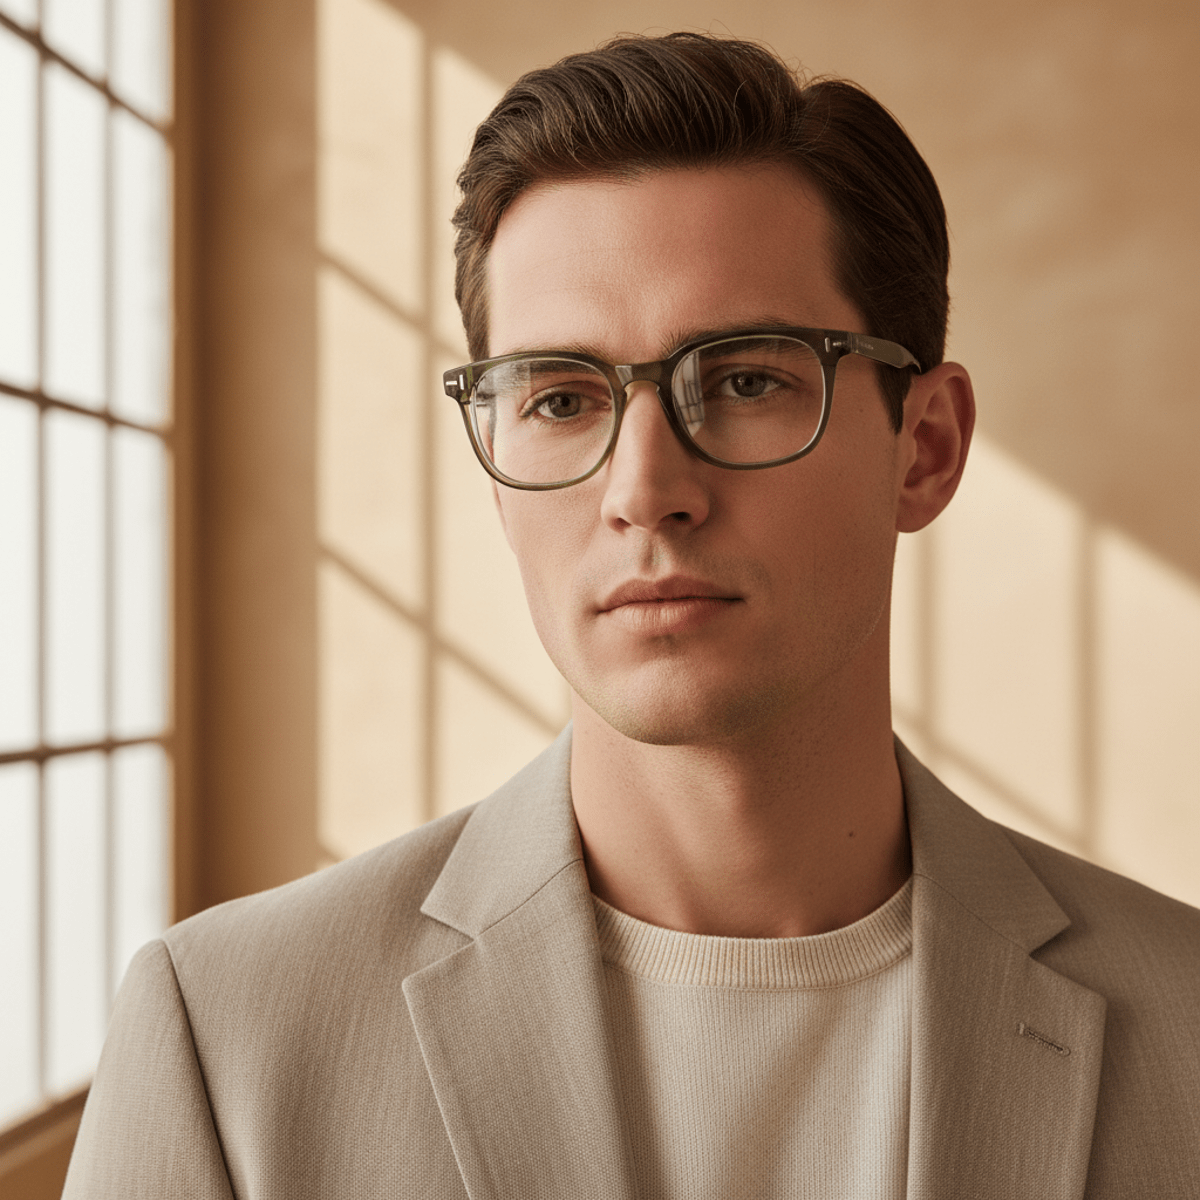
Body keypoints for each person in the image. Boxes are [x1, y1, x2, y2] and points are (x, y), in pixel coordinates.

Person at [65, 32, 1199, 1200]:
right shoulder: (225, 1036)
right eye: (561, 400)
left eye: (747, 380)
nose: (646, 490)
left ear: (928, 448)